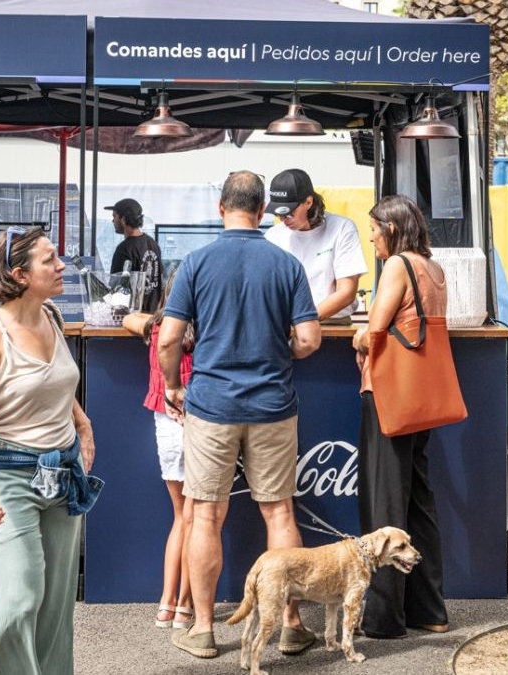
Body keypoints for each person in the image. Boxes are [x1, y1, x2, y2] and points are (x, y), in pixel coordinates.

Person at [159, 170, 322, 660]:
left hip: (211, 406)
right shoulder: (285, 263)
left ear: (221, 208)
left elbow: (168, 338)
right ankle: (291, 625)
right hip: (273, 404)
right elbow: (310, 340)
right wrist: (278, 351)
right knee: (279, 511)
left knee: (206, 514)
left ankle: (205, 630)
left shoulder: (196, 262)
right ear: (260, 210)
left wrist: (172, 385)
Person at [0, 225, 103, 675]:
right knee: (22, 597)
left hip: (62, 473)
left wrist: (82, 423)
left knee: (55, 606)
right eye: (50, 260)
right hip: (6, 475)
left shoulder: (53, 317)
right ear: (20, 274)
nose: (62, 265)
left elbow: (56, 382)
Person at [351, 195, 450, 639]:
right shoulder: (434, 267)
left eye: (374, 229)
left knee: (384, 501)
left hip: (389, 395)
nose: (370, 237)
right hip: (421, 398)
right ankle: (428, 609)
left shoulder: (397, 266)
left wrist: (358, 339)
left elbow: (375, 328)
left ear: (391, 228)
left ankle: (385, 618)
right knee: (417, 501)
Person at [122, 271, 195, 632]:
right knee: (201, 520)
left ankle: (167, 604)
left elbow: (127, 318)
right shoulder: (210, 331)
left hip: (165, 424)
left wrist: (140, 316)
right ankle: (185, 605)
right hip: (203, 423)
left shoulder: (156, 328)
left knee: (181, 517)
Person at [264, 168, 368, 324]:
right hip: (286, 326)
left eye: (288, 213)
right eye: (278, 214)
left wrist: (305, 321)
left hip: (331, 325)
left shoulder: (341, 228)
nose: (283, 219)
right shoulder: (272, 236)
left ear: (308, 202)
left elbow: (346, 292)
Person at [106, 197, 163, 313]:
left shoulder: (123, 249)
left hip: (133, 319)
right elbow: (160, 277)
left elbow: (116, 289)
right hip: (153, 317)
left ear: (123, 219)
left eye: (114, 216)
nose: (113, 221)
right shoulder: (153, 243)